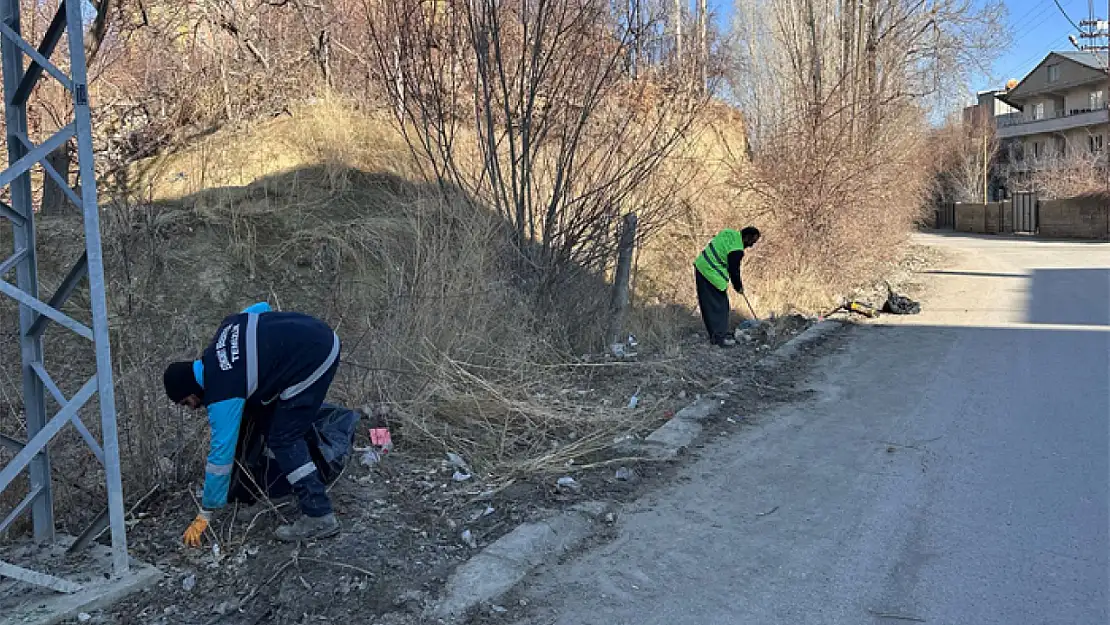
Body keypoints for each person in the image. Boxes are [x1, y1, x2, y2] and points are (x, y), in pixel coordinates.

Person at [163, 302, 343, 544]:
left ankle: (319, 514)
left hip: (313, 358)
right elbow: (260, 307)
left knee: (284, 437)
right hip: (316, 332)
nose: (193, 408)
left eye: (187, 402)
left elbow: (221, 456)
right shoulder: (222, 335)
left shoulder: (222, 392)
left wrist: (205, 512)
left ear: (190, 388)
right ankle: (288, 486)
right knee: (271, 418)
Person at [693, 227, 761, 347]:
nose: (751, 246)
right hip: (710, 273)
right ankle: (719, 339)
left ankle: (718, 334)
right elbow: (734, 270)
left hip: (701, 265)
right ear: (746, 237)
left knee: (710, 305)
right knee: (720, 307)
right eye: (752, 242)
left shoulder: (729, 233)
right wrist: (738, 286)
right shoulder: (737, 250)